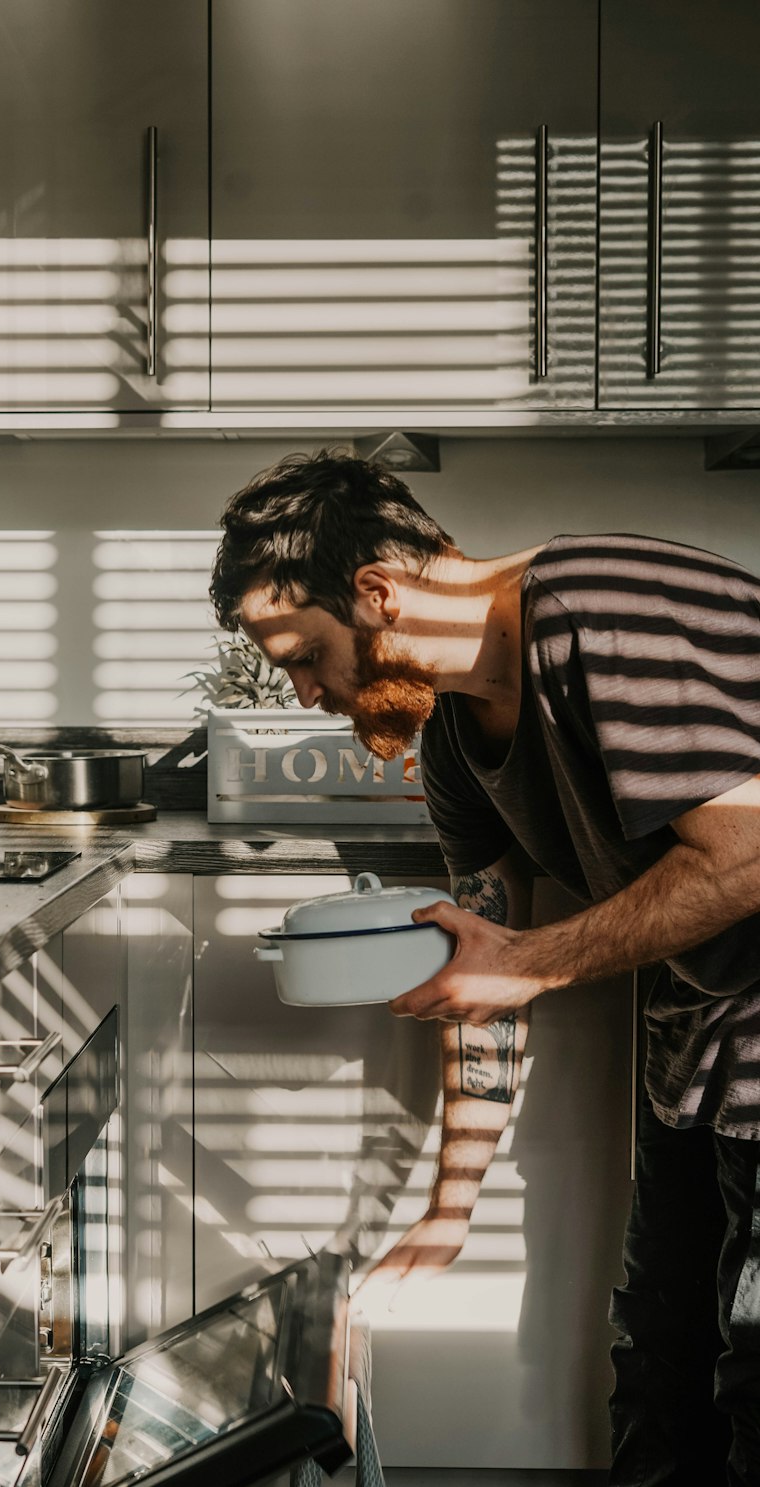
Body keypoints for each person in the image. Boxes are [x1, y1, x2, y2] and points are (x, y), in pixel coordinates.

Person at [208, 449, 760, 1487]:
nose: (305, 690)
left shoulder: (603, 608)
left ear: (375, 593)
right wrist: (448, 1207)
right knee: (657, 1378)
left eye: (302, 653)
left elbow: (744, 850)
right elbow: (485, 958)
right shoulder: (457, 739)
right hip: (698, 1041)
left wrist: (535, 963)